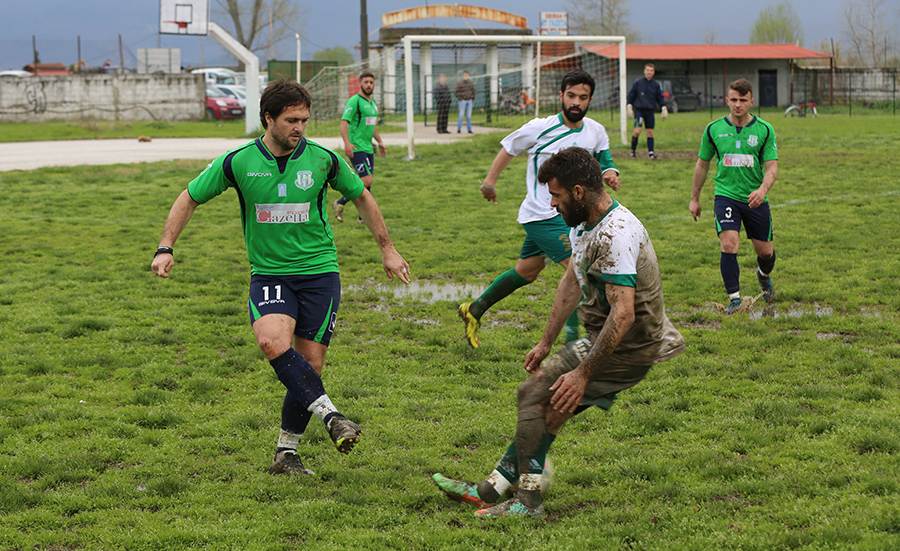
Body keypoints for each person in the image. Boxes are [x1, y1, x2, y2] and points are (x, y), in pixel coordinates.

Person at [150, 80, 411, 476]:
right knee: (271, 342)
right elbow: (189, 197)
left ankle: (285, 454)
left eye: (304, 120)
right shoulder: (238, 161)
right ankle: (331, 416)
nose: (299, 127)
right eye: (291, 120)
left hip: (320, 272)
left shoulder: (323, 160)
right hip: (270, 273)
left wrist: (387, 249)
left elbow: (362, 196)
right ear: (268, 118)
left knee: (310, 367)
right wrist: (165, 246)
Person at [434, 147, 686, 518]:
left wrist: (582, 374)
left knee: (534, 396)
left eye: (556, 195)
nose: (552, 204)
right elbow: (570, 282)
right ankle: (491, 490)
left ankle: (527, 501)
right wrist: (545, 342)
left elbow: (623, 315)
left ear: (579, 192)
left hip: (630, 345)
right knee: (546, 408)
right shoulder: (584, 222)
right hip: (613, 338)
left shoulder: (615, 234)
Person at [458, 69, 620, 349]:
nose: (576, 102)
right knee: (579, 272)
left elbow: (604, 159)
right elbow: (509, 147)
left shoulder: (595, 131)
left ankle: (474, 309)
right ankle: (573, 344)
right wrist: (489, 184)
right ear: (561, 95)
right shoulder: (540, 127)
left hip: (571, 217)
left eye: (582, 97)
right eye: (571, 95)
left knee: (526, 271)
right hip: (543, 215)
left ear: (590, 100)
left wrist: (610, 173)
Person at [689, 78, 778, 314]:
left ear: (751, 101)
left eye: (743, 100)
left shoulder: (764, 130)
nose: (738, 104)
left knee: (766, 253)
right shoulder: (713, 129)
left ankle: (763, 275)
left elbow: (772, 167)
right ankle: (735, 300)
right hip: (725, 196)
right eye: (734, 100)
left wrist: (762, 190)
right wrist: (695, 198)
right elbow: (702, 164)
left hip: (755, 198)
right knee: (729, 244)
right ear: (727, 100)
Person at [333, 71, 386, 223]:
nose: (369, 85)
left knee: (367, 183)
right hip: (356, 147)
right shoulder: (354, 101)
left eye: (371, 82)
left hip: (368, 148)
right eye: (366, 82)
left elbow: (372, 126)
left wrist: (380, 142)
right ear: (360, 83)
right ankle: (340, 202)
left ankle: (363, 217)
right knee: (366, 180)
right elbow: (344, 122)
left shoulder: (373, 103)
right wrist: (347, 143)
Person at [626, 63, 667, 160]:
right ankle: (633, 152)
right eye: (648, 70)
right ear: (644, 71)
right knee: (637, 131)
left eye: (651, 70)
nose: (649, 72)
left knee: (650, 132)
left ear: (653, 72)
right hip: (639, 111)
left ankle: (651, 154)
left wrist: (664, 108)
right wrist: (629, 105)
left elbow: (660, 98)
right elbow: (631, 95)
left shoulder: (656, 85)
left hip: (650, 112)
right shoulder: (638, 83)